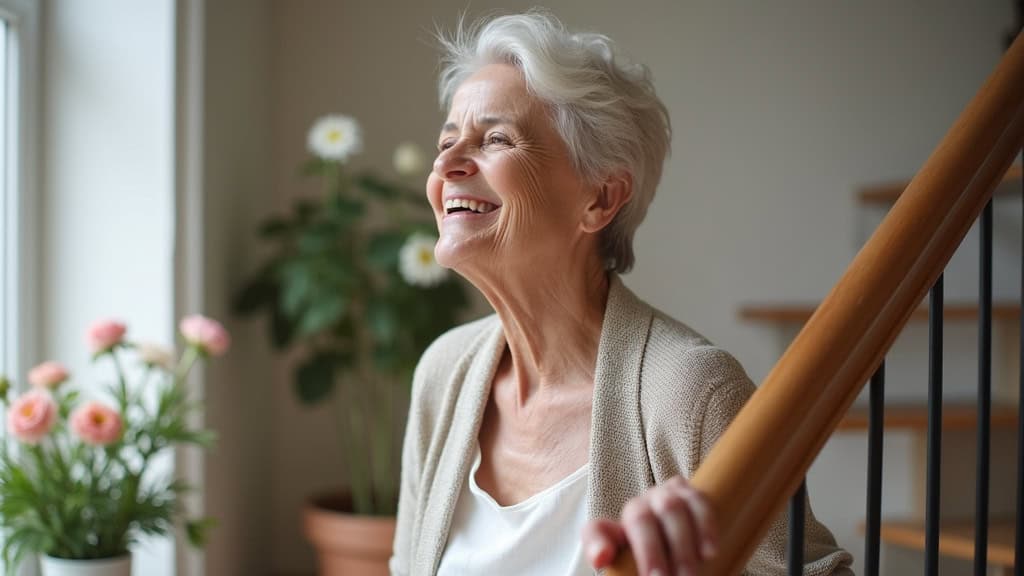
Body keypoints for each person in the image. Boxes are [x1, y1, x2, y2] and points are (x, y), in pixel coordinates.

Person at [390, 11, 853, 576]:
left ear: (600, 200)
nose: (446, 164)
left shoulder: (692, 394)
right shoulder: (445, 373)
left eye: (495, 139)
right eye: (447, 140)